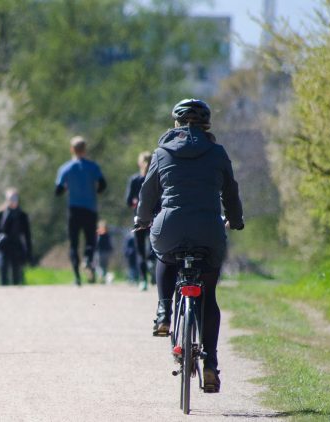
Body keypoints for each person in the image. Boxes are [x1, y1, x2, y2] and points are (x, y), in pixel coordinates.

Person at [135, 99, 244, 393]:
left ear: (176, 124)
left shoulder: (161, 152)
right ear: (206, 125)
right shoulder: (217, 153)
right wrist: (235, 220)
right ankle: (210, 363)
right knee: (208, 297)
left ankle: (163, 312)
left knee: (164, 254)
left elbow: (147, 193)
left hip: (170, 227)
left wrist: (141, 219)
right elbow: (230, 192)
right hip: (209, 231)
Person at [55, 136, 107, 286]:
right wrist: (93, 190)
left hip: (73, 210)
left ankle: (77, 277)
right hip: (90, 208)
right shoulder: (93, 167)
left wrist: (67, 187)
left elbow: (58, 191)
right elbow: (103, 185)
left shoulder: (65, 168)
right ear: (85, 149)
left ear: (72, 149)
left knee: (74, 243)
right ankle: (88, 259)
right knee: (91, 240)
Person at [0, 188, 33, 286]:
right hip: (3, 247)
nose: (13, 200)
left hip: (16, 247)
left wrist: (29, 252)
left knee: (16, 275)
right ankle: (3, 296)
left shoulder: (22, 215)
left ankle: (15, 297)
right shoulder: (0, 214)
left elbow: (27, 235)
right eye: (11, 198)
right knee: (2, 270)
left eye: (15, 198)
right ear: (7, 199)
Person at [125, 151, 154, 291]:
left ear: (139, 163)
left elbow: (128, 201)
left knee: (140, 251)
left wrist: (135, 203)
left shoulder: (135, 180)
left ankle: (143, 280)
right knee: (155, 247)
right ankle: (152, 263)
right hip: (155, 218)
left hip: (139, 219)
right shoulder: (156, 178)